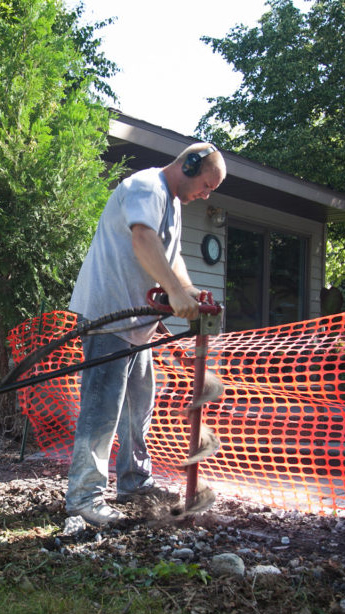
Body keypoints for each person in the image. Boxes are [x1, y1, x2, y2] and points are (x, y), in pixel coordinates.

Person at [66, 142, 227, 526]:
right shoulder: (147, 186)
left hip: (139, 326)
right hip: (110, 317)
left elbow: (172, 258)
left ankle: (134, 481)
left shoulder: (171, 203)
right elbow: (143, 240)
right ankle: (84, 497)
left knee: (140, 406)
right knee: (101, 412)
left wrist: (185, 290)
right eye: (206, 185)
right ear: (189, 165)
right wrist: (172, 291)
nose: (205, 195)